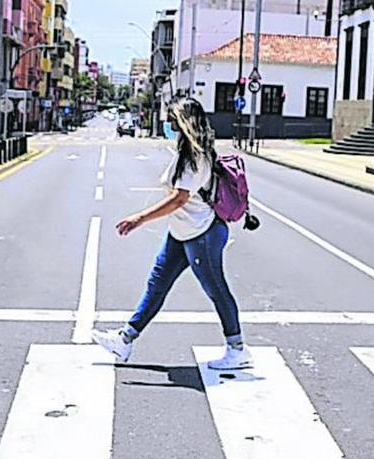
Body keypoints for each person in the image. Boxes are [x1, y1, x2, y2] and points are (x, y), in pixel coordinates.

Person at [92, 97, 253, 370]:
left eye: (172, 120)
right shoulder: (188, 152)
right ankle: (125, 339)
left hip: (201, 234)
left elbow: (179, 198)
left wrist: (140, 218)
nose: (168, 124)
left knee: (216, 289)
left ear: (184, 123)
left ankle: (237, 349)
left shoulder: (195, 156)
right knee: (157, 284)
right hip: (183, 231)